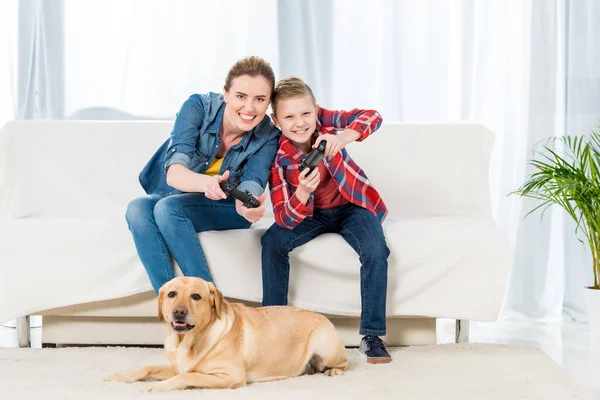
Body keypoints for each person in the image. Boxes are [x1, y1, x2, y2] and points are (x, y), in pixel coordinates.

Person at [261, 77, 392, 364]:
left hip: (350, 206)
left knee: (376, 250)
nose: (300, 122)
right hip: (311, 213)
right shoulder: (278, 157)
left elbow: (373, 116)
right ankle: (272, 329)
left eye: (306, 113)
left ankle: (371, 335)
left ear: (316, 110)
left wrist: (343, 137)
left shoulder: (326, 123)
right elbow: (284, 216)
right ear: (276, 120)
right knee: (271, 241)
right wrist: (303, 192)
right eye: (289, 116)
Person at [126, 56, 280, 294]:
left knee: (168, 209)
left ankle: (209, 306)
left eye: (259, 99)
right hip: (179, 194)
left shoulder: (269, 135)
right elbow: (174, 174)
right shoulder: (198, 107)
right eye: (241, 96)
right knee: (137, 208)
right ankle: (172, 306)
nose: (249, 108)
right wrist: (206, 183)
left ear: (268, 102)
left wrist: (248, 206)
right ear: (225, 94)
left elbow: (253, 183)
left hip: (227, 207)